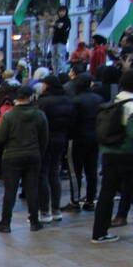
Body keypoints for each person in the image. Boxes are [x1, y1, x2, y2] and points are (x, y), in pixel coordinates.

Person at [0, 85, 48, 233]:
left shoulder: (9, 116)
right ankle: (34, 221)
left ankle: (5, 223)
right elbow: (44, 138)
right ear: (31, 97)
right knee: (32, 189)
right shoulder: (39, 115)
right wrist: (38, 152)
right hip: (33, 155)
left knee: (10, 190)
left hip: (12, 156)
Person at [91, 69, 133, 243]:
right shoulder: (131, 106)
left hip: (108, 153)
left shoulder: (113, 102)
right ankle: (121, 215)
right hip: (127, 154)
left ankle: (99, 232)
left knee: (106, 193)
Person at [37, 75, 75, 221]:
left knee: (43, 174)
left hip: (45, 140)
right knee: (54, 172)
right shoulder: (67, 100)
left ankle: (45, 211)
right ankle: (56, 209)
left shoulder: (43, 102)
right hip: (61, 139)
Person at [71, 73, 104, 210]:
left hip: (79, 138)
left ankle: (76, 200)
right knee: (91, 169)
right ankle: (90, 199)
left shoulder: (76, 101)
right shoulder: (99, 99)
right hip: (95, 137)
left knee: (76, 170)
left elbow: (72, 121)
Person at [51, 7, 72, 72]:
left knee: (61, 58)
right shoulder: (57, 21)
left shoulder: (67, 20)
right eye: (60, 11)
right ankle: (55, 73)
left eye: (63, 11)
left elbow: (61, 27)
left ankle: (63, 73)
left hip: (62, 42)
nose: (61, 13)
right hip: (55, 41)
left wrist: (55, 25)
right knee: (54, 58)